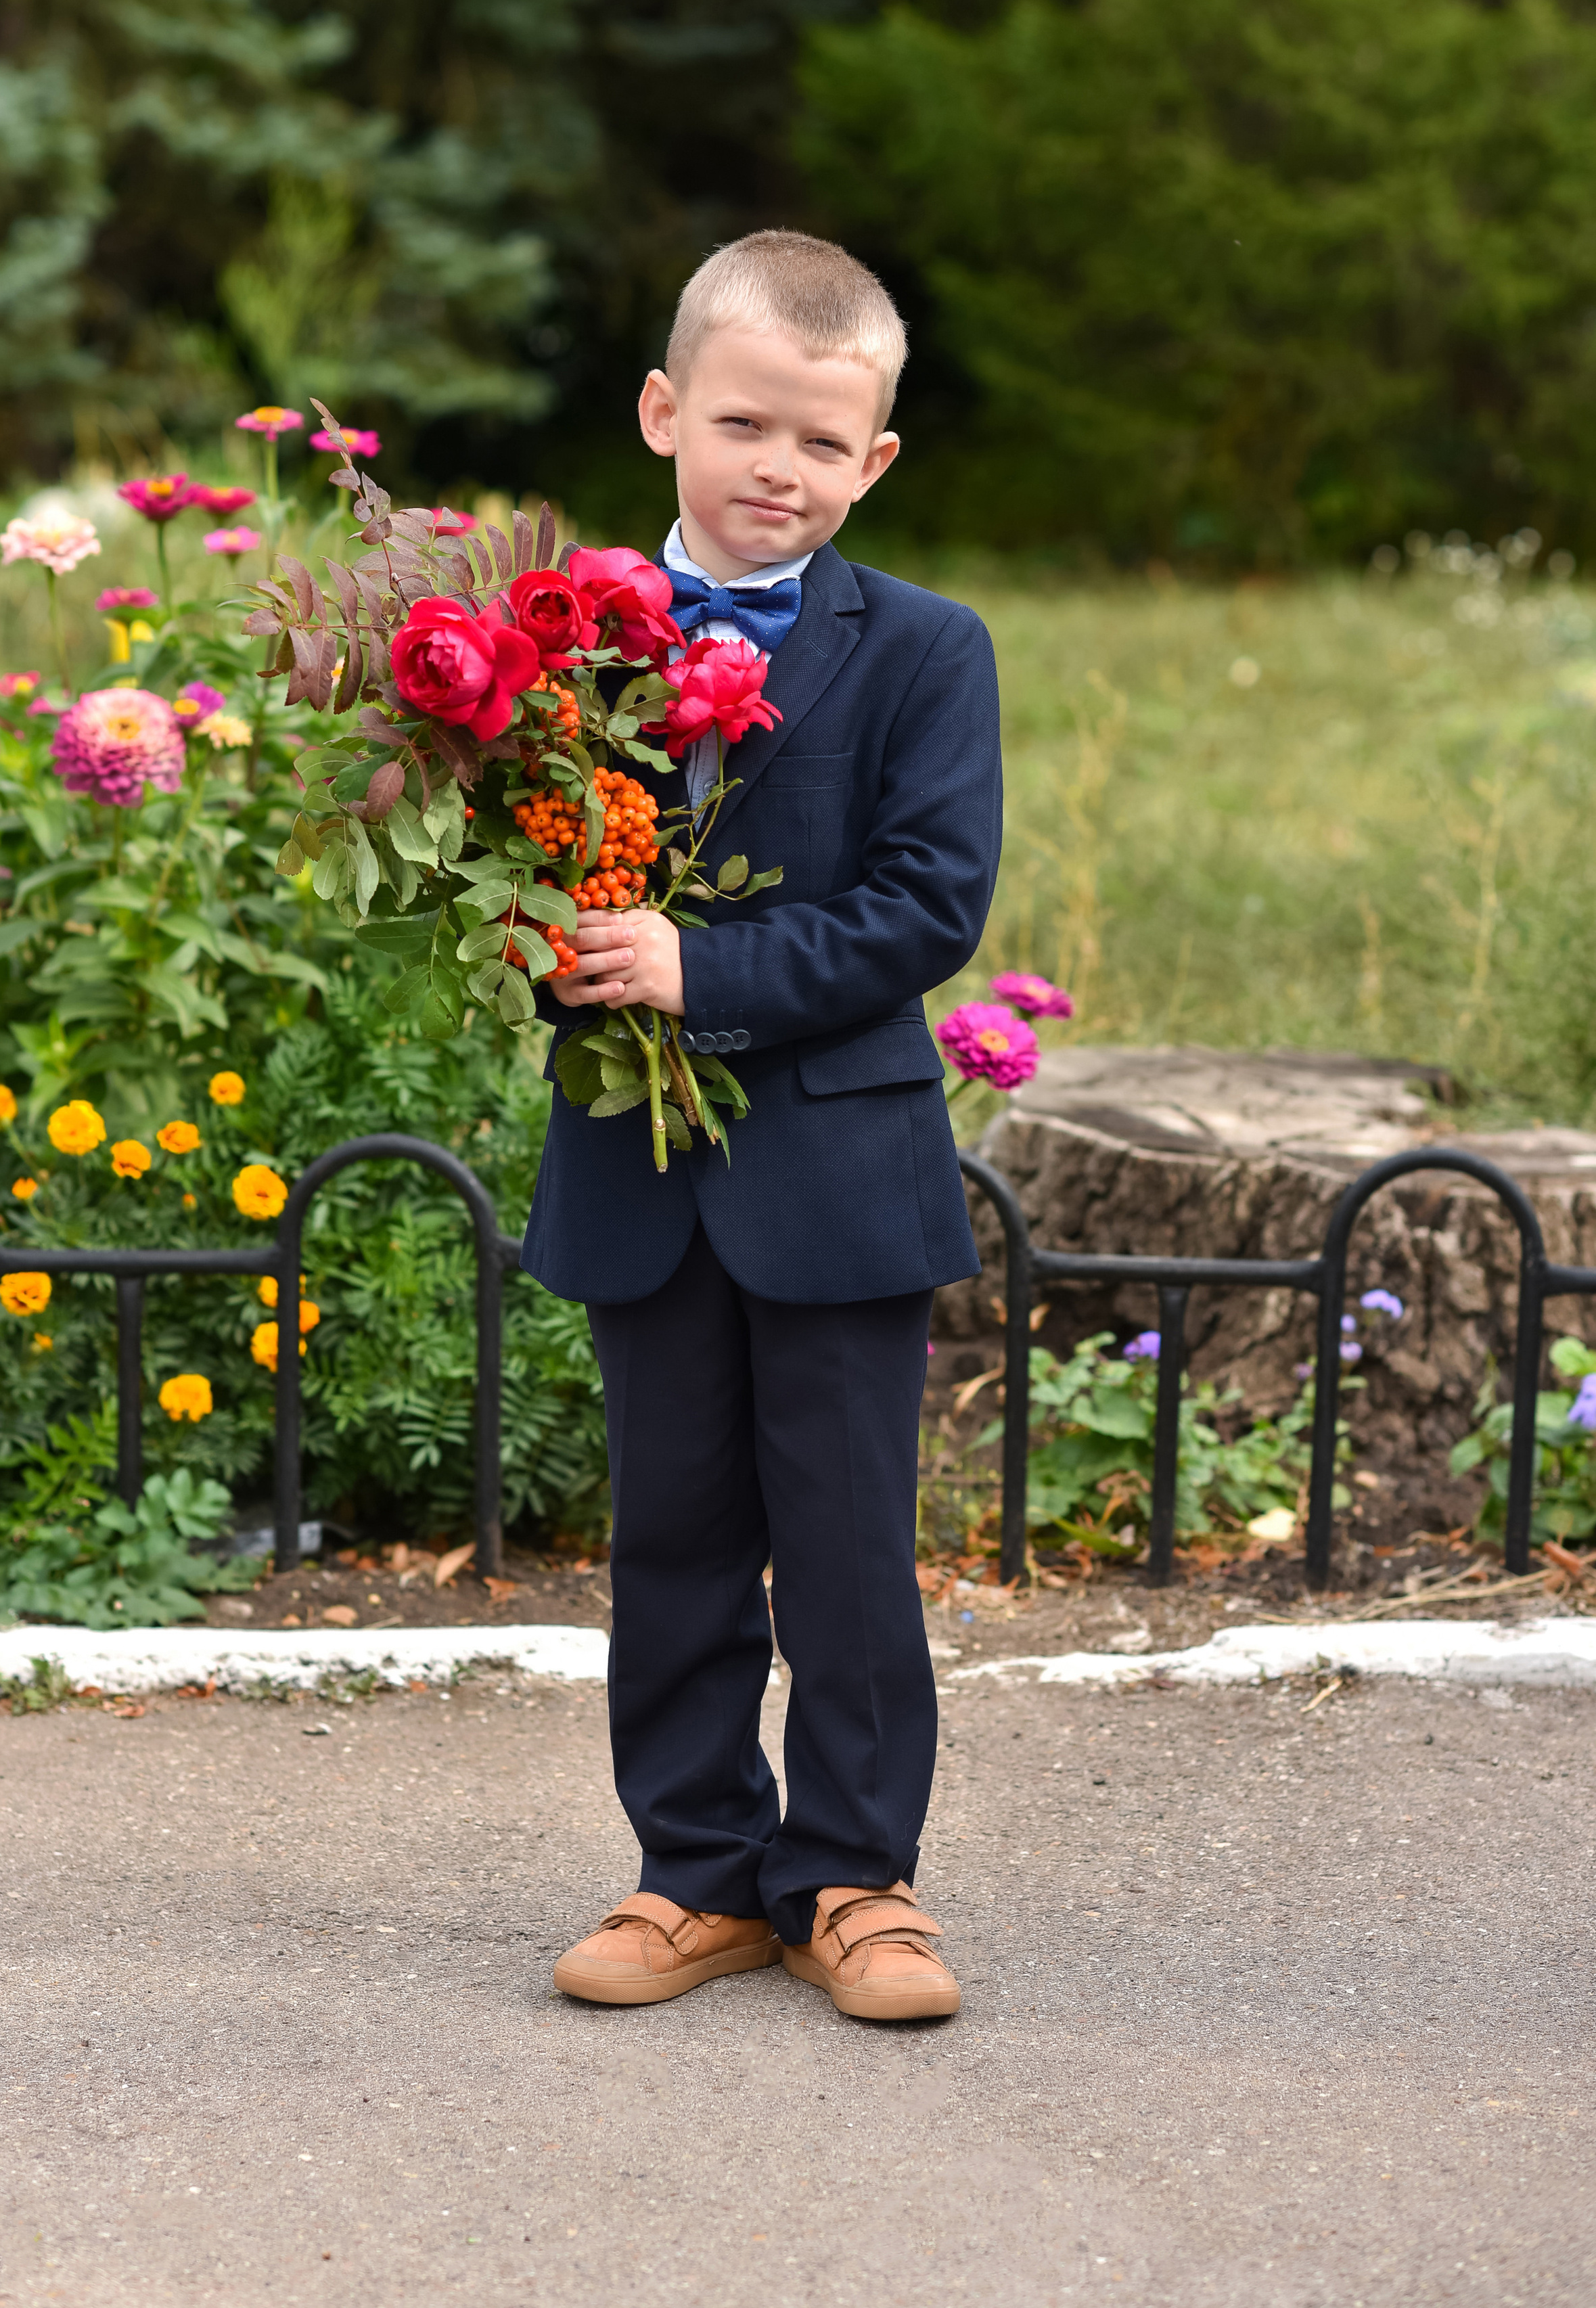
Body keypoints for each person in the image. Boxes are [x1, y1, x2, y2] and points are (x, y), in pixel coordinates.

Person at [522, 229, 1003, 2021]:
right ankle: (695, 1871)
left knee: (851, 1545)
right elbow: (509, 882)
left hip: (842, 1174)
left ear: (872, 458)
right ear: (664, 412)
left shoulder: (930, 653)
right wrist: (555, 952)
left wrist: (695, 970)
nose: (775, 470)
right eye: (742, 424)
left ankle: (858, 1877)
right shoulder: (558, 655)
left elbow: (925, 906)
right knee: (674, 1537)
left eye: (820, 443)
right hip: (636, 1172)